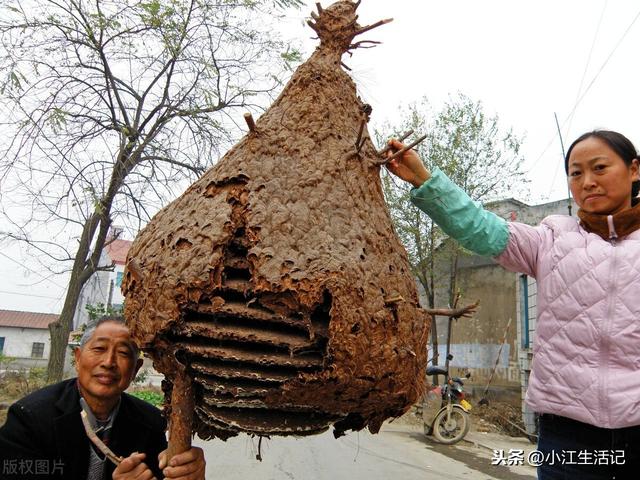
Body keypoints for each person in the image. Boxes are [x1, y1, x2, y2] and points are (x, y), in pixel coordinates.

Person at [386, 130, 640, 479]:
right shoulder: (550, 240)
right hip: (567, 432)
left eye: (599, 167)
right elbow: (479, 226)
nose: (588, 182)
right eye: (576, 173)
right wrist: (423, 179)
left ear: (634, 169)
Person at [0, 315, 206, 480]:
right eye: (99, 348)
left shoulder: (151, 422)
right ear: (78, 358)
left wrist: (188, 474)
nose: (109, 362)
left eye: (124, 353)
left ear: (136, 369)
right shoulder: (30, 418)